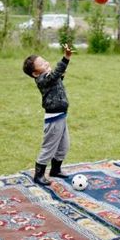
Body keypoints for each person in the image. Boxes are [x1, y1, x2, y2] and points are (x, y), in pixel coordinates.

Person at [22, 44, 75, 186]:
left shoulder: (49, 78)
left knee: (64, 146)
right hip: (53, 118)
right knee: (49, 147)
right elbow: (54, 75)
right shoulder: (42, 79)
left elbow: (57, 78)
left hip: (62, 116)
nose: (46, 63)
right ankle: (39, 175)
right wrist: (66, 58)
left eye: (45, 60)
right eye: (41, 64)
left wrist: (61, 72)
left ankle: (55, 170)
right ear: (35, 73)